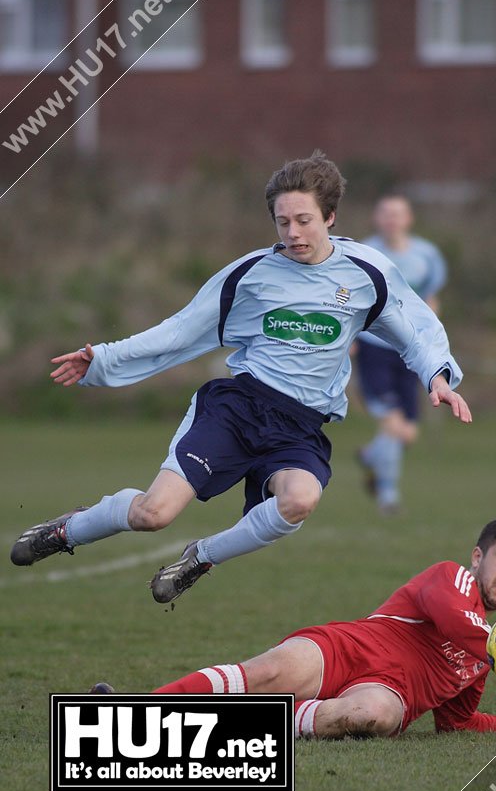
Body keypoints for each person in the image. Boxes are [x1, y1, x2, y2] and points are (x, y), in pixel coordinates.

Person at [11, 151, 471, 605]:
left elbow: (415, 329)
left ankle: (200, 557)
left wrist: (438, 374)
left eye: (304, 220)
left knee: (300, 500)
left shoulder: (368, 273)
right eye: (282, 221)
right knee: (154, 514)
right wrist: (105, 358)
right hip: (237, 409)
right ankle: (65, 529)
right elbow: (180, 330)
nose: (292, 233)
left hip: (300, 426)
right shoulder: (251, 275)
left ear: (330, 216)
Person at [91, 518, 496, 738]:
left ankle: (247, 725)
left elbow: (458, 725)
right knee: (270, 670)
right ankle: (130, 713)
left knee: (368, 714)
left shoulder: (477, 665)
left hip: (387, 694)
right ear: (478, 557)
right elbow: (450, 618)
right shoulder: (452, 578)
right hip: (347, 648)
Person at [356, 194, 448, 513]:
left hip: (410, 350)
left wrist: (433, 339)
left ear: (409, 219)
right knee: (392, 424)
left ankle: (370, 456)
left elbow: (430, 299)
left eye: (398, 214)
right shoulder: (363, 253)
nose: (392, 220)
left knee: (408, 433)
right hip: (374, 349)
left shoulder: (427, 255)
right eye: (385, 213)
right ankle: (388, 497)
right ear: (377, 218)